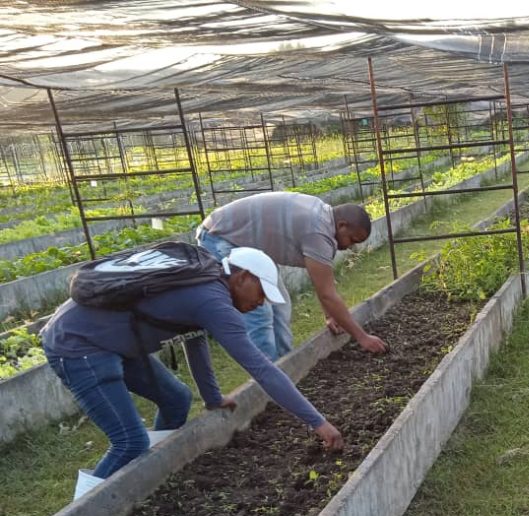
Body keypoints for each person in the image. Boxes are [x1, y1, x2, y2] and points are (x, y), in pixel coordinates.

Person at [41, 247, 345, 490]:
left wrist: (211, 397)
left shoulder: (205, 280)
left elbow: (193, 337)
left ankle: (148, 478)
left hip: (113, 340)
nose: (261, 303)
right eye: (261, 294)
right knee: (129, 440)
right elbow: (262, 370)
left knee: (177, 400)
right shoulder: (212, 300)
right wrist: (318, 422)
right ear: (242, 277)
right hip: (78, 346)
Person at [195, 192, 388, 360]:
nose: (350, 246)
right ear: (342, 225)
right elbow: (328, 294)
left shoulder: (322, 216)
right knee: (259, 313)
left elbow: (321, 283)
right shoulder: (319, 232)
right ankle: (269, 384)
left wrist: (330, 314)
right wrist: (362, 337)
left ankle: (287, 368)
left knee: (280, 305)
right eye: (352, 239)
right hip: (221, 237)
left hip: (247, 245)